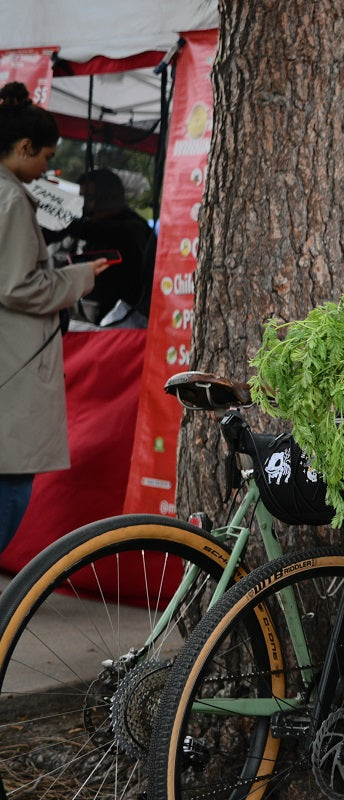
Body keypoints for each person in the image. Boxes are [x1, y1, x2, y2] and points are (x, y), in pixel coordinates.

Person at [0, 82, 110, 554]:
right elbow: (18, 286)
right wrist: (79, 277)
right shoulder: (11, 199)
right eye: (46, 156)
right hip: (14, 365)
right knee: (12, 485)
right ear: (24, 147)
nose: (48, 168)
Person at [61, 167, 155, 326]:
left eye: (89, 199)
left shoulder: (132, 227)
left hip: (127, 322)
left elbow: (96, 231)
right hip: (96, 318)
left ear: (110, 198)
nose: (84, 206)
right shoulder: (99, 226)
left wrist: (62, 221)